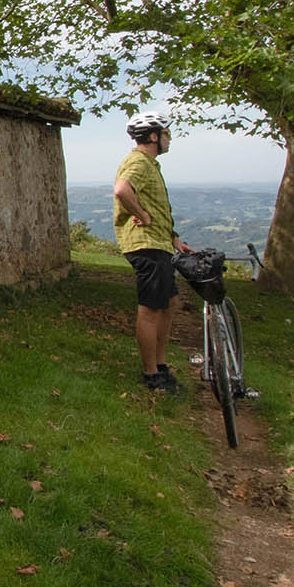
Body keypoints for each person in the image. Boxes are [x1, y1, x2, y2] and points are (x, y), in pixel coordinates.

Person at [114, 113, 191, 393]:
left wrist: (173, 239)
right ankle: (151, 375)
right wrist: (142, 216)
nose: (170, 139)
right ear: (155, 136)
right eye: (167, 134)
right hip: (145, 245)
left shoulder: (150, 165)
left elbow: (154, 206)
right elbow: (122, 190)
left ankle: (160, 366)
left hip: (158, 243)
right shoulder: (138, 162)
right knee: (150, 310)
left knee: (170, 304)